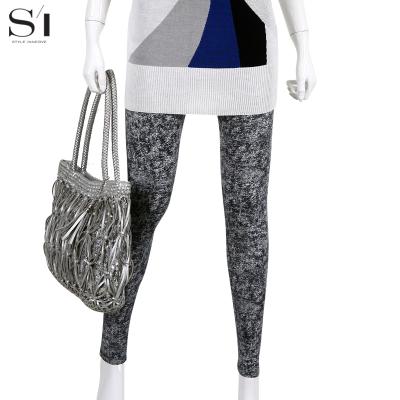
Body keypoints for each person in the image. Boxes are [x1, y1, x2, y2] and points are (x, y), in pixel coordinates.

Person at [83, 1, 317, 399]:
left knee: (247, 221)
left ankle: (250, 381)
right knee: (139, 214)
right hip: (156, 51)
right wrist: (92, 34)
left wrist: (304, 44)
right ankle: (111, 365)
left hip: (248, 52)